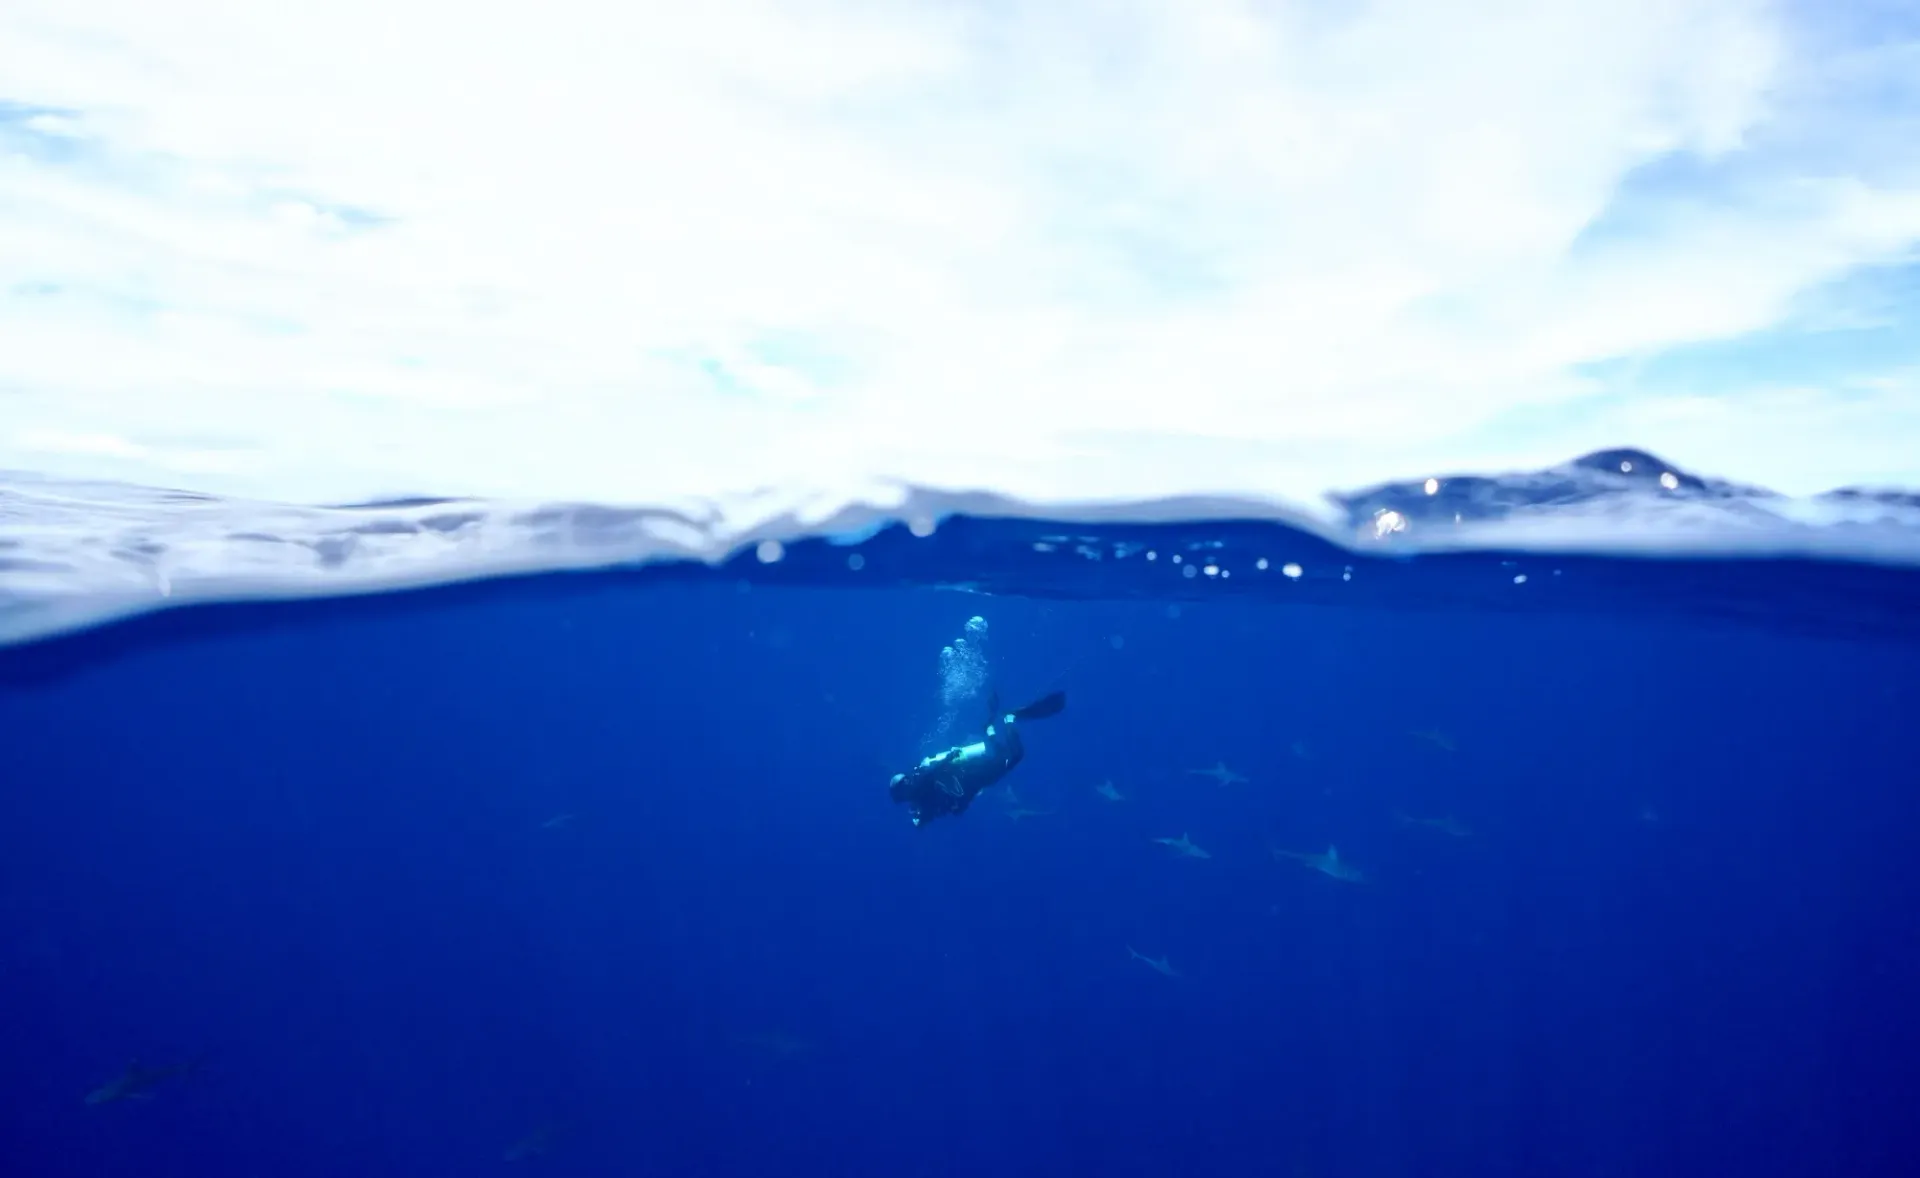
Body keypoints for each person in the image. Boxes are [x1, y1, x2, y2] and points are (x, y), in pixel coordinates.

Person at [888, 691, 1066, 827]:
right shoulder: (919, 799)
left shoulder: (917, 785)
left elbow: (931, 776)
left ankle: (1009, 718)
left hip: (970, 776)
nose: (904, 798)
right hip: (971, 782)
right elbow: (932, 811)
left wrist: (948, 759)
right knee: (1003, 757)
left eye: (900, 795)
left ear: (903, 787)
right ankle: (990, 729)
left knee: (1014, 756)